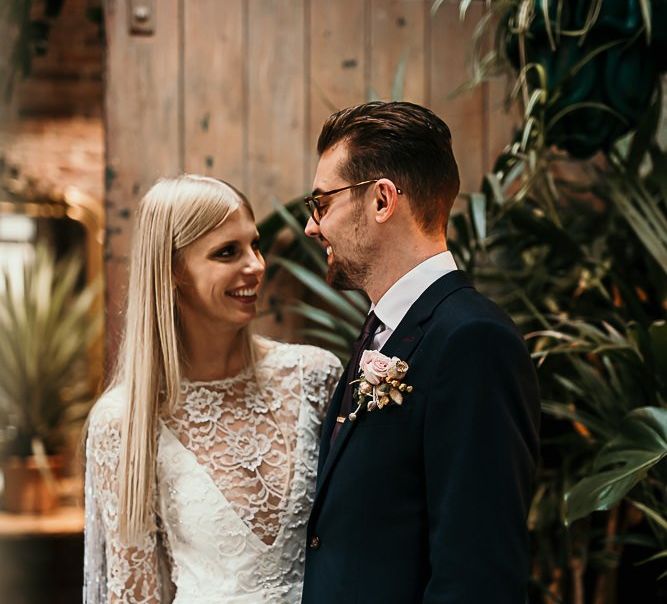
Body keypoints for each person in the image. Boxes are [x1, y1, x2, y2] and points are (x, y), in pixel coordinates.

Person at [301, 101, 541, 603]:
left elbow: (479, 576)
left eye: (321, 203)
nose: (312, 226)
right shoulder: (383, 330)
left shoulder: (472, 340)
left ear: (383, 200)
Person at [83, 174, 342, 603]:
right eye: (227, 252)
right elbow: (137, 593)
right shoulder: (124, 419)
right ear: (172, 272)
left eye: (254, 244)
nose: (256, 265)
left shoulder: (313, 376)